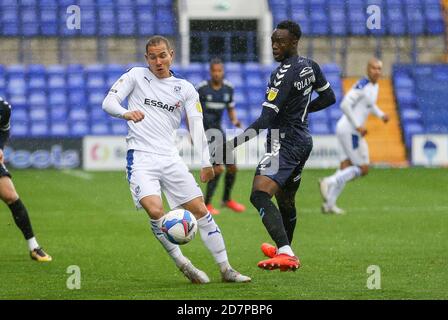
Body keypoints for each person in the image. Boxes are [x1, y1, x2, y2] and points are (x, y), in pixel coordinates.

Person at [102, 35, 250, 284]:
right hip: (141, 157)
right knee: (155, 209)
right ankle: (185, 265)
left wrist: (205, 161)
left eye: (162, 55)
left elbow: (197, 125)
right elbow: (108, 102)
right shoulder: (136, 75)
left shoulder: (185, 88)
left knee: (201, 211)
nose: (158, 61)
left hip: (171, 158)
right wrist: (126, 113)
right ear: (146, 58)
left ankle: (226, 269)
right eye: (152, 57)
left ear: (171, 54)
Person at [214, 20, 336, 271]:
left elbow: (266, 119)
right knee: (286, 200)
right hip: (303, 140)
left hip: (284, 140)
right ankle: (285, 249)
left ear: (294, 42)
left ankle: (286, 252)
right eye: (272, 41)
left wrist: (231, 144)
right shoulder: (310, 66)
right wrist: (302, 112)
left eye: (280, 41)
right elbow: (329, 97)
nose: (275, 46)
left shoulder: (282, 73)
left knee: (259, 194)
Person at [319, 58, 389, 214]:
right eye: (373, 68)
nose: (376, 71)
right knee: (363, 168)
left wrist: (381, 115)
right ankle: (329, 181)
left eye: (379, 68)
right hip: (350, 129)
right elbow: (345, 104)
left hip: (345, 128)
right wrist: (357, 125)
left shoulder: (374, 86)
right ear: (367, 69)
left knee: (345, 167)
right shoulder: (362, 85)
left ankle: (329, 204)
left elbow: (370, 105)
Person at [0, 97, 52, 262]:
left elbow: (4, 130)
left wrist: (0, 147)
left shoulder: (3, 108)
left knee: (10, 195)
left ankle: (34, 247)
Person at [196, 58, 246, 215]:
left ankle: (226, 200)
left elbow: (231, 108)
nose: (217, 73)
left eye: (219, 71)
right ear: (210, 72)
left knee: (232, 167)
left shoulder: (228, 89)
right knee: (217, 168)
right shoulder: (202, 89)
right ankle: (207, 204)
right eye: (214, 71)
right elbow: (191, 111)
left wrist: (235, 120)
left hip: (219, 132)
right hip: (206, 133)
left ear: (223, 72)